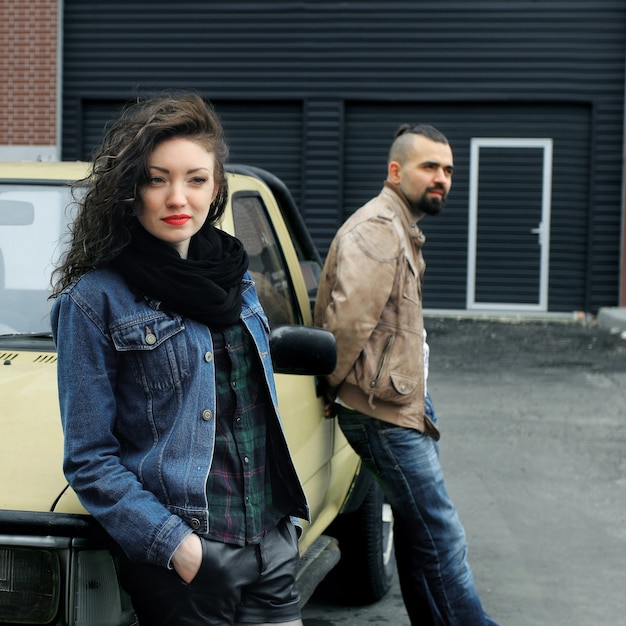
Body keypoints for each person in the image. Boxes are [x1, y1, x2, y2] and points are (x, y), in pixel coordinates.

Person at [51, 93, 308, 626]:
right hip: (190, 559)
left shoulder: (234, 276)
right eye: (155, 178)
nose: (177, 197)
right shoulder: (94, 299)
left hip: (272, 542)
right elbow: (88, 458)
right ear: (130, 191)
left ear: (215, 190)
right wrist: (179, 548)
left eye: (195, 179)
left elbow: (257, 406)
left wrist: (288, 533)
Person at [314, 124, 499, 625]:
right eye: (430, 167)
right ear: (396, 171)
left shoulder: (399, 225)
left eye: (448, 170)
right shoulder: (378, 229)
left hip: (398, 401)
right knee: (442, 533)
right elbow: (348, 322)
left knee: (422, 536)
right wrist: (330, 384)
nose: (442, 178)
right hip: (381, 412)